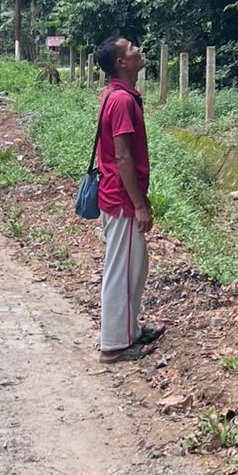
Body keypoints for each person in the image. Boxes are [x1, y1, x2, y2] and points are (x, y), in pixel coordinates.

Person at [95, 35, 165, 364]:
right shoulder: (122, 101)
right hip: (122, 198)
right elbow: (122, 157)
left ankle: (129, 331)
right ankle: (113, 344)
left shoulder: (117, 94)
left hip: (118, 194)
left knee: (134, 267)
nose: (138, 50)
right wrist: (139, 204)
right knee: (121, 271)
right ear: (121, 62)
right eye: (132, 48)